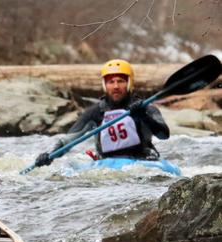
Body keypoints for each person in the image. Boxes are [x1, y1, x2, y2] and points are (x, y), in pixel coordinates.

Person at [35, 59, 170, 167]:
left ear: (129, 83)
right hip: (106, 164)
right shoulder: (94, 112)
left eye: (121, 81)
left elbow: (164, 135)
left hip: (142, 160)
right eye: (111, 82)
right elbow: (68, 140)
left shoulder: (145, 108)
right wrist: (49, 155)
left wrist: (144, 116)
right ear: (105, 85)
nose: (116, 86)